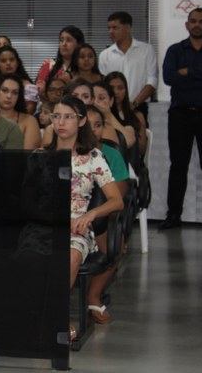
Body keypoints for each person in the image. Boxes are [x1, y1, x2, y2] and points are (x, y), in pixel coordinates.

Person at [44, 96, 123, 325]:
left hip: (76, 227)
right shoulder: (41, 156)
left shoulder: (93, 157)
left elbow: (117, 201)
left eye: (68, 117)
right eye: (56, 116)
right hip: (44, 223)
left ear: (81, 121)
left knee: (71, 255)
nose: (61, 122)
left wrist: (91, 214)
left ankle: (56, 321)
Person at [160, 7, 202, 230]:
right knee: (178, 166)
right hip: (180, 114)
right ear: (187, 24)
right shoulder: (175, 50)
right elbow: (168, 77)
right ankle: (173, 215)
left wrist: (187, 72)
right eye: (193, 21)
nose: (197, 25)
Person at [84, 104, 128, 325]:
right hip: (67, 216)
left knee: (113, 246)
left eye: (98, 125)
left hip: (98, 217)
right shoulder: (66, 150)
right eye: (88, 124)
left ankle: (93, 296)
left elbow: (118, 196)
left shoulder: (111, 154)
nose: (93, 130)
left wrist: (92, 213)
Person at [98, 11, 158, 118]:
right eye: (109, 28)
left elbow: (152, 81)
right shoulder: (105, 55)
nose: (111, 32)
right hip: (112, 108)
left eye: (115, 28)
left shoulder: (146, 50)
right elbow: (103, 84)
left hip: (138, 106)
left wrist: (134, 104)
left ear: (128, 28)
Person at [36, 26, 85, 99]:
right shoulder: (49, 64)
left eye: (69, 40)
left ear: (78, 44)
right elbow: (40, 90)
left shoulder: (84, 66)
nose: (64, 44)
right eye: (61, 40)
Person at [105, 71, 148, 155]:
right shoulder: (101, 115)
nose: (116, 92)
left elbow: (142, 149)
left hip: (132, 158)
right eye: (111, 88)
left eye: (120, 88)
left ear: (126, 90)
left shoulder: (137, 115)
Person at [0, 74, 41, 150]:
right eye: (5, 91)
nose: (9, 96)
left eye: (15, 93)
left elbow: (29, 155)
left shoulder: (29, 121)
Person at [0, 45, 38, 115]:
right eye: (3, 61)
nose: (8, 63)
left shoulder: (27, 86)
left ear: (17, 63)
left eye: (12, 60)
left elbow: (30, 110)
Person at [91, 81, 136, 149]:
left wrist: (108, 115)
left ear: (111, 101)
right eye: (92, 98)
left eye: (101, 98)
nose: (95, 102)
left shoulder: (126, 123)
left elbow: (128, 142)